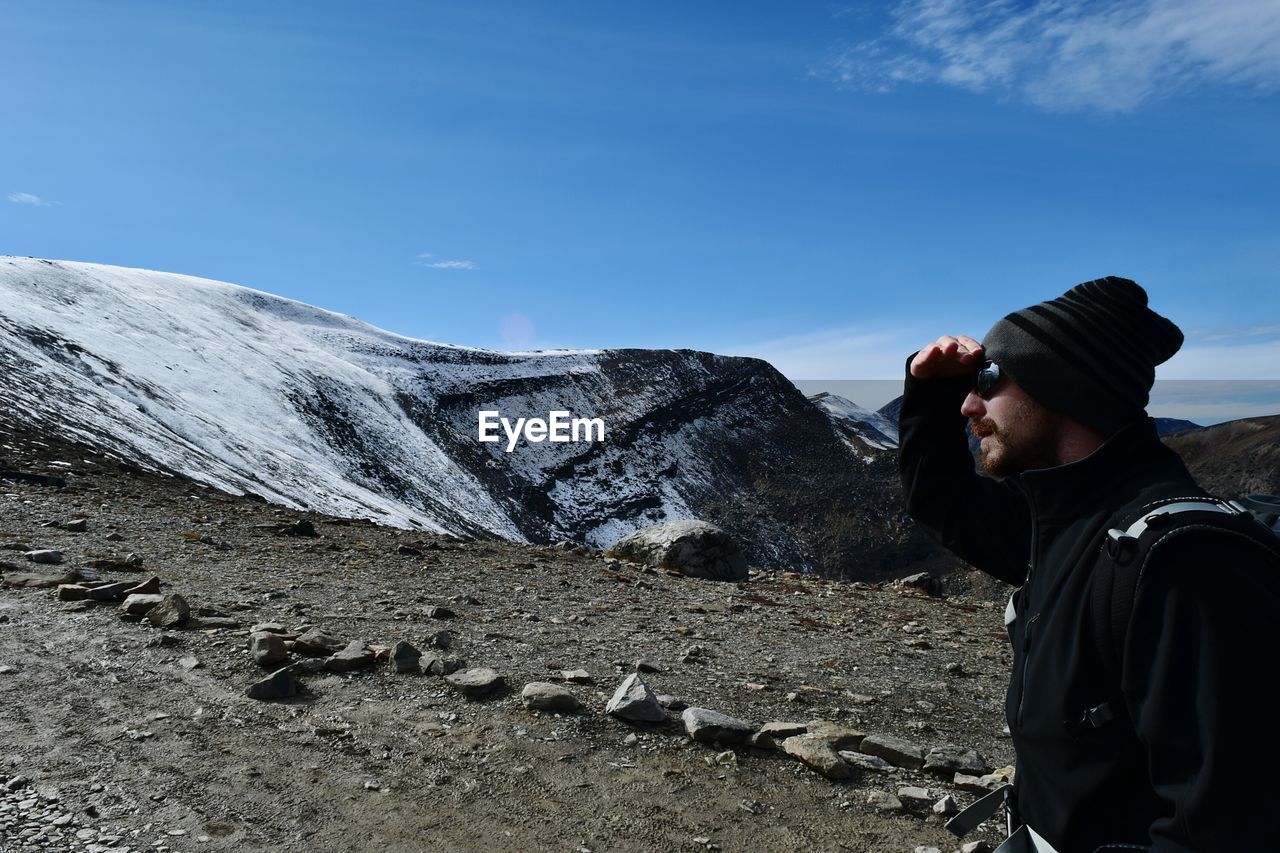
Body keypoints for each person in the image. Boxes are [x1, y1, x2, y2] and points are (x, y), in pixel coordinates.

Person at [898, 276, 1280, 852]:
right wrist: (927, 393)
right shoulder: (1062, 523)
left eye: (989, 380)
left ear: (1063, 390)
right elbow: (943, 500)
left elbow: (1224, 827)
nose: (969, 404)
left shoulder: (1182, 563)